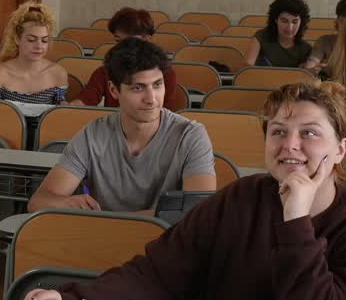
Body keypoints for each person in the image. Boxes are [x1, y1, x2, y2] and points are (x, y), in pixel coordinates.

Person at [20, 79, 346, 300]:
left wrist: (295, 218)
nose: (290, 146)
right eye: (278, 132)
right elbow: (159, 276)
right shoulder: (239, 198)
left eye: (310, 133)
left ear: (340, 149)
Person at [29, 38, 214, 213]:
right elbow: (38, 202)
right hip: (104, 239)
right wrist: (64, 202)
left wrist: (117, 223)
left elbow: (196, 213)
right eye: (138, 88)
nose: (151, 99)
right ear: (113, 90)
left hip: (165, 241)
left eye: (157, 85)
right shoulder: (92, 135)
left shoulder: (191, 136)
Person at [73, 7, 184, 111]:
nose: (120, 47)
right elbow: (85, 99)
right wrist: (66, 107)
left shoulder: (165, 74)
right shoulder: (105, 71)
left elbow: (166, 113)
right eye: (117, 41)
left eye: (127, 41)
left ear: (146, 39)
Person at [0, 1, 70, 104]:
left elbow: (58, 112)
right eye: (31, 40)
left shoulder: (58, 73)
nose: (39, 46)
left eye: (44, 40)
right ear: (17, 39)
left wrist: (64, 107)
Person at [243, 0, 313, 68]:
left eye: (295, 22)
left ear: (301, 23)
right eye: (284, 21)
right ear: (276, 20)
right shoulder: (261, 37)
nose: (289, 28)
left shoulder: (306, 48)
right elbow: (246, 68)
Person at [305, 0, 346, 74]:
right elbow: (310, 66)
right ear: (338, 21)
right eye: (342, 21)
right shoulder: (325, 41)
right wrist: (314, 69)